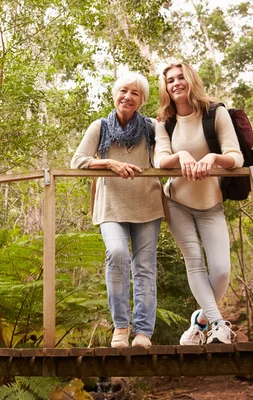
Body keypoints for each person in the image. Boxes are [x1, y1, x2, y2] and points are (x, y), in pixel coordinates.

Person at [71, 72, 164, 348]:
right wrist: (109, 164)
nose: (128, 97)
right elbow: (78, 160)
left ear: (142, 100)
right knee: (117, 253)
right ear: (115, 94)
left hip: (147, 203)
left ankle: (144, 333)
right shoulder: (99, 127)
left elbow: (166, 153)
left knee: (145, 267)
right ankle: (121, 328)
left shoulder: (151, 127)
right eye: (124, 91)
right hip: (111, 205)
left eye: (135, 93)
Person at [154, 62, 244, 345]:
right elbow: (159, 160)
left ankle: (200, 321)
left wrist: (212, 158)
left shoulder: (215, 113)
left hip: (211, 203)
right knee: (194, 262)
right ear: (165, 87)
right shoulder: (164, 122)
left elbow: (236, 156)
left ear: (191, 79)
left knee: (221, 270)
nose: (176, 83)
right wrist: (181, 156)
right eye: (170, 80)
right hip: (176, 201)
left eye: (181, 77)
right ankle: (218, 325)